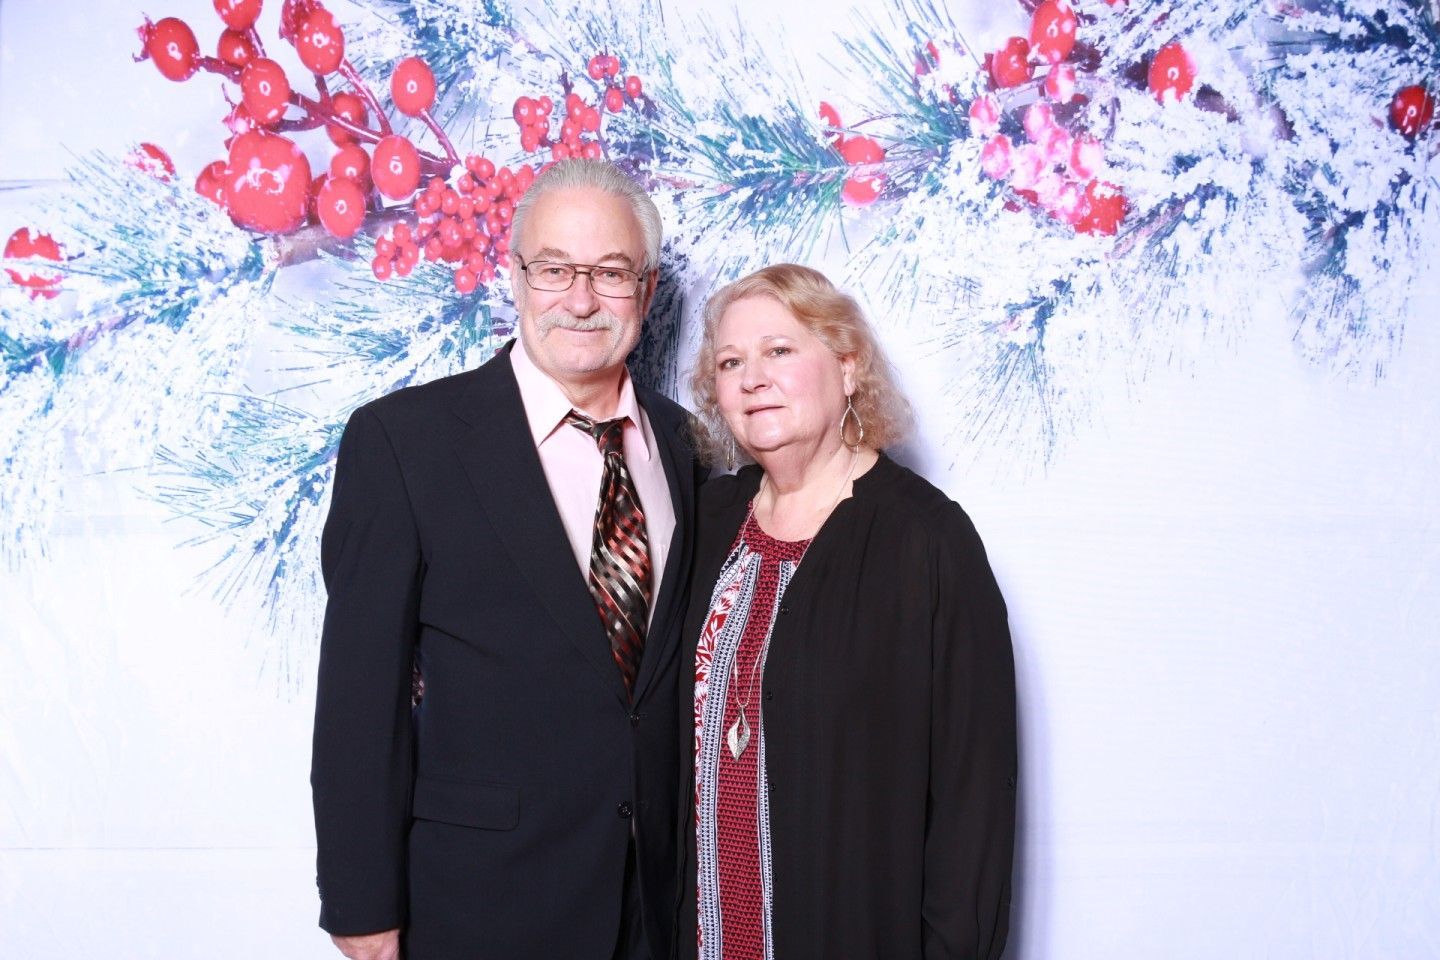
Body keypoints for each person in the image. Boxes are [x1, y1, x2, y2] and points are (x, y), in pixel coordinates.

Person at [311, 159, 700, 960]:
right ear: (516, 277)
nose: (581, 300)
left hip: (657, 909)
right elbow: (359, 700)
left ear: (649, 290)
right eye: (554, 268)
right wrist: (361, 904)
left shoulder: (685, 445)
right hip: (479, 901)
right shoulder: (404, 443)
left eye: (610, 273)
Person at [676, 264, 1017, 959]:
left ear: (849, 365)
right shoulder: (707, 521)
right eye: (730, 361)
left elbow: (971, 799)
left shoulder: (925, 539)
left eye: (779, 351)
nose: (751, 378)